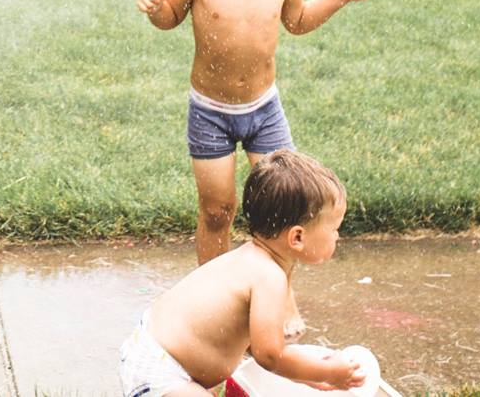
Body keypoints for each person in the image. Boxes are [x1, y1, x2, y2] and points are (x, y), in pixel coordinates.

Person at [137, 0, 370, 267]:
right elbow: (169, 18)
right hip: (210, 112)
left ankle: (277, 297)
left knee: (283, 210)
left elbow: (296, 22)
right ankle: (213, 298)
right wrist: (155, 7)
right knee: (217, 210)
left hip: (264, 110)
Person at [120, 149, 378, 397]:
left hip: (155, 352)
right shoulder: (269, 276)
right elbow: (270, 356)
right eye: (334, 228)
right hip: (163, 371)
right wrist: (329, 372)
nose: (337, 235)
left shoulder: (254, 260)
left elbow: (259, 346)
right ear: (297, 237)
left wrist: (308, 376)